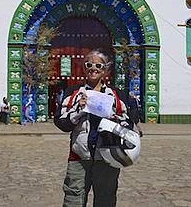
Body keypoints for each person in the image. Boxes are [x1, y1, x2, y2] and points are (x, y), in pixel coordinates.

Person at [55, 49, 134, 207]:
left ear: (105, 69)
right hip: (79, 156)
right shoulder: (74, 92)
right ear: (84, 68)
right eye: (89, 64)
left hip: (107, 157)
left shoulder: (116, 94)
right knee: (73, 198)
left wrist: (113, 117)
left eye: (98, 65)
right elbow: (61, 122)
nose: (93, 68)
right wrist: (79, 108)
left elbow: (128, 124)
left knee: (106, 199)